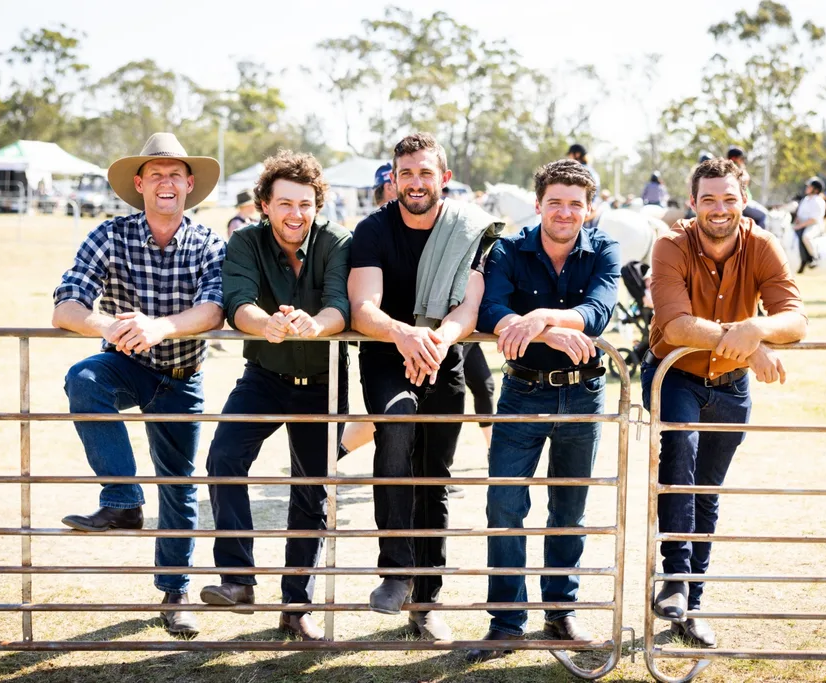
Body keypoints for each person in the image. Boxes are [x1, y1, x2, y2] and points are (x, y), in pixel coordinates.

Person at [53, 132, 226, 638]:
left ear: (189, 184)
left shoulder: (209, 242)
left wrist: (160, 325)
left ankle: (176, 592)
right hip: (126, 365)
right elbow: (66, 304)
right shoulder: (110, 235)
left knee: (179, 486)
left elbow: (214, 307)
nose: (166, 182)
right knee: (83, 378)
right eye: (156, 174)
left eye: (175, 173)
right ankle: (123, 501)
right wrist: (105, 325)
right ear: (140, 183)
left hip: (181, 376)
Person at [645, 158, 807, 648]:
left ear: (743, 201)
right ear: (692, 204)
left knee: (708, 490)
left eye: (729, 199)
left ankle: (692, 605)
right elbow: (675, 326)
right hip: (677, 376)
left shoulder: (762, 245)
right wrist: (750, 345)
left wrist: (757, 328)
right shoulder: (670, 245)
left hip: (731, 386)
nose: (719, 209)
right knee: (680, 463)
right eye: (708, 200)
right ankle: (674, 579)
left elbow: (796, 319)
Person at [467, 158, 620, 662]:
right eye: (555, 202)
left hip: (584, 395)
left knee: (569, 509)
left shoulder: (605, 251)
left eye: (576, 204)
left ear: (588, 209)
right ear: (538, 205)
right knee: (505, 506)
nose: (565, 212)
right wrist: (549, 330)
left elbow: (598, 312)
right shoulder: (508, 249)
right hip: (523, 392)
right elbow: (491, 310)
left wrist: (537, 318)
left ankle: (560, 612)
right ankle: (507, 622)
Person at [348, 132, 500, 640]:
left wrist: (433, 342)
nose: (415, 183)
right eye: (406, 173)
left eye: (425, 173)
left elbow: (470, 306)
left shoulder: (468, 230)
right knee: (395, 424)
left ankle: (426, 601)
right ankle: (394, 573)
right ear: (393, 178)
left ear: (444, 178)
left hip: (444, 355)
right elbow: (364, 306)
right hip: (387, 356)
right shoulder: (372, 230)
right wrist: (403, 334)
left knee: (434, 475)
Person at [199, 151, 351, 641]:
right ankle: (237, 580)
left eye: (305, 204)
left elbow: (339, 305)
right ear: (264, 204)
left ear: (316, 206)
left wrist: (315, 325)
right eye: (284, 202)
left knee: (310, 491)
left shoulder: (335, 242)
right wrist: (266, 324)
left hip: (322, 382)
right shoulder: (245, 241)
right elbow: (236, 302)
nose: (295, 214)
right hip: (264, 374)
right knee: (223, 458)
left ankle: (295, 606)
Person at [725, 147, 767, 229]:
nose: (743, 161)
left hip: (743, 201)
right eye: (742, 158)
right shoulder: (734, 169)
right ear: (735, 158)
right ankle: (757, 240)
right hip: (741, 202)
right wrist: (742, 168)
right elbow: (745, 180)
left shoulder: (725, 168)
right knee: (764, 215)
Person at [792, 177, 826, 272]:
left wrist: (800, 226)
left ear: (816, 190)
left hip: (814, 225)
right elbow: (799, 214)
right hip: (802, 224)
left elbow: (813, 219)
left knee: (806, 237)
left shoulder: (819, 201)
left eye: (809, 186)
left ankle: (814, 257)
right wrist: (796, 222)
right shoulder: (805, 199)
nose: (807, 188)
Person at [567, 143, 602, 227]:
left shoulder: (576, 169)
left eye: (570, 155)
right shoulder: (591, 169)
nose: (569, 158)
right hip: (594, 204)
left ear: (577, 154)